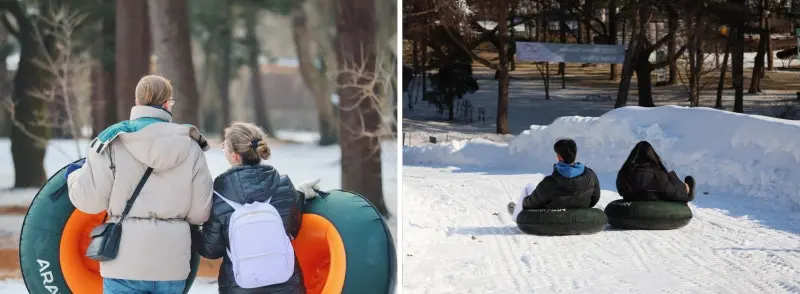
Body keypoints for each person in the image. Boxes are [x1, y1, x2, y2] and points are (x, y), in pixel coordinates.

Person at [66, 75, 213, 294]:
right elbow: (200, 214)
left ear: (137, 102)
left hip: (123, 264)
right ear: (166, 104)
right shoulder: (191, 147)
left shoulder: (112, 141)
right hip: (171, 265)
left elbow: (89, 201)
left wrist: (73, 177)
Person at [199, 122, 320, 294]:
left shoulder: (219, 195)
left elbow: (211, 250)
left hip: (240, 287)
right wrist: (298, 195)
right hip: (287, 285)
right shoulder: (283, 185)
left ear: (234, 156)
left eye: (224, 145)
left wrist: (194, 230)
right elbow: (294, 229)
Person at [509, 139, 601, 220]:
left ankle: (517, 215)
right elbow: (595, 198)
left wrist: (524, 202)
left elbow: (531, 204)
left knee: (529, 187)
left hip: (553, 217)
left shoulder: (550, 181)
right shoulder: (590, 174)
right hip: (580, 214)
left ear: (559, 156)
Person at [615, 141, 695, 203]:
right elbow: (675, 195)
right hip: (653, 212)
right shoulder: (658, 175)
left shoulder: (623, 173)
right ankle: (686, 188)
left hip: (629, 213)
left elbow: (621, 192)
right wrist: (670, 174)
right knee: (674, 187)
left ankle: (684, 187)